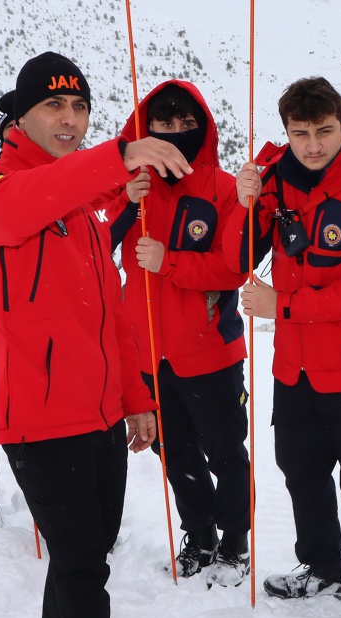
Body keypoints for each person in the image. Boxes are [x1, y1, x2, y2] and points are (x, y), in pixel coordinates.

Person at [0, 51, 188, 618]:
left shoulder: (86, 211)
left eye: (80, 106)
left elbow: (111, 315)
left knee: (89, 544)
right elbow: (21, 204)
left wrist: (137, 399)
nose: (69, 118)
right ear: (20, 116)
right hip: (37, 412)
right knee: (82, 553)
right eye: (54, 105)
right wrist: (117, 157)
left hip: (100, 409)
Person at [227, 77, 341, 618]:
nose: (312, 145)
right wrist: (244, 203)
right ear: (286, 130)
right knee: (300, 469)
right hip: (295, 366)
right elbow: (239, 257)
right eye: (299, 133)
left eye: (324, 132)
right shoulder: (274, 181)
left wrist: (281, 305)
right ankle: (326, 567)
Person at [108, 80, 251, 583]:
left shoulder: (224, 189)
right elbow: (93, 246)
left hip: (210, 351)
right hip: (146, 351)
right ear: (146, 131)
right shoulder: (133, 187)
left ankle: (235, 542)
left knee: (226, 453)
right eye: (164, 124)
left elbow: (233, 269)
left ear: (203, 128)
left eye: (186, 124)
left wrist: (168, 261)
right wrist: (125, 203)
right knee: (175, 453)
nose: (175, 132)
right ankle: (201, 534)